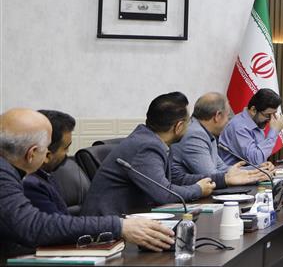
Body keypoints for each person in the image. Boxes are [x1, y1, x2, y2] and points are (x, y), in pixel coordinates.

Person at [0, 108, 173, 256]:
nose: (48, 156)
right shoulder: (4, 175)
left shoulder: (11, 170)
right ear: (32, 154)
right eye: (46, 150)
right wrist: (119, 226)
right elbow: (33, 227)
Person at [81, 92, 214, 216]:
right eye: (188, 122)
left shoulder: (157, 142)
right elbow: (164, 193)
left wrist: (221, 179)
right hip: (105, 225)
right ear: (178, 126)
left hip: (129, 218)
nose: (189, 126)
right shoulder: (146, 147)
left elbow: (176, 179)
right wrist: (198, 190)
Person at [171, 92, 269, 187]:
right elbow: (211, 176)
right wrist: (254, 174)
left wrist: (260, 168)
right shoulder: (195, 135)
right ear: (217, 116)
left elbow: (221, 168)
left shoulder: (206, 132)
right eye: (227, 116)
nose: (228, 121)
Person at [22, 109, 76, 214]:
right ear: (47, 155)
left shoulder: (43, 174)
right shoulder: (31, 186)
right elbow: (58, 223)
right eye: (65, 148)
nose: (67, 153)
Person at [219, 88, 283, 166]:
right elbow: (256, 160)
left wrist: (265, 165)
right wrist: (274, 131)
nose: (271, 119)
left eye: (274, 114)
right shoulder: (239, 127)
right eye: (268, 115)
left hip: (250, 172)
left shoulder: (256, 123)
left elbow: (259, 159)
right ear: (253, 110)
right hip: (232, 172)